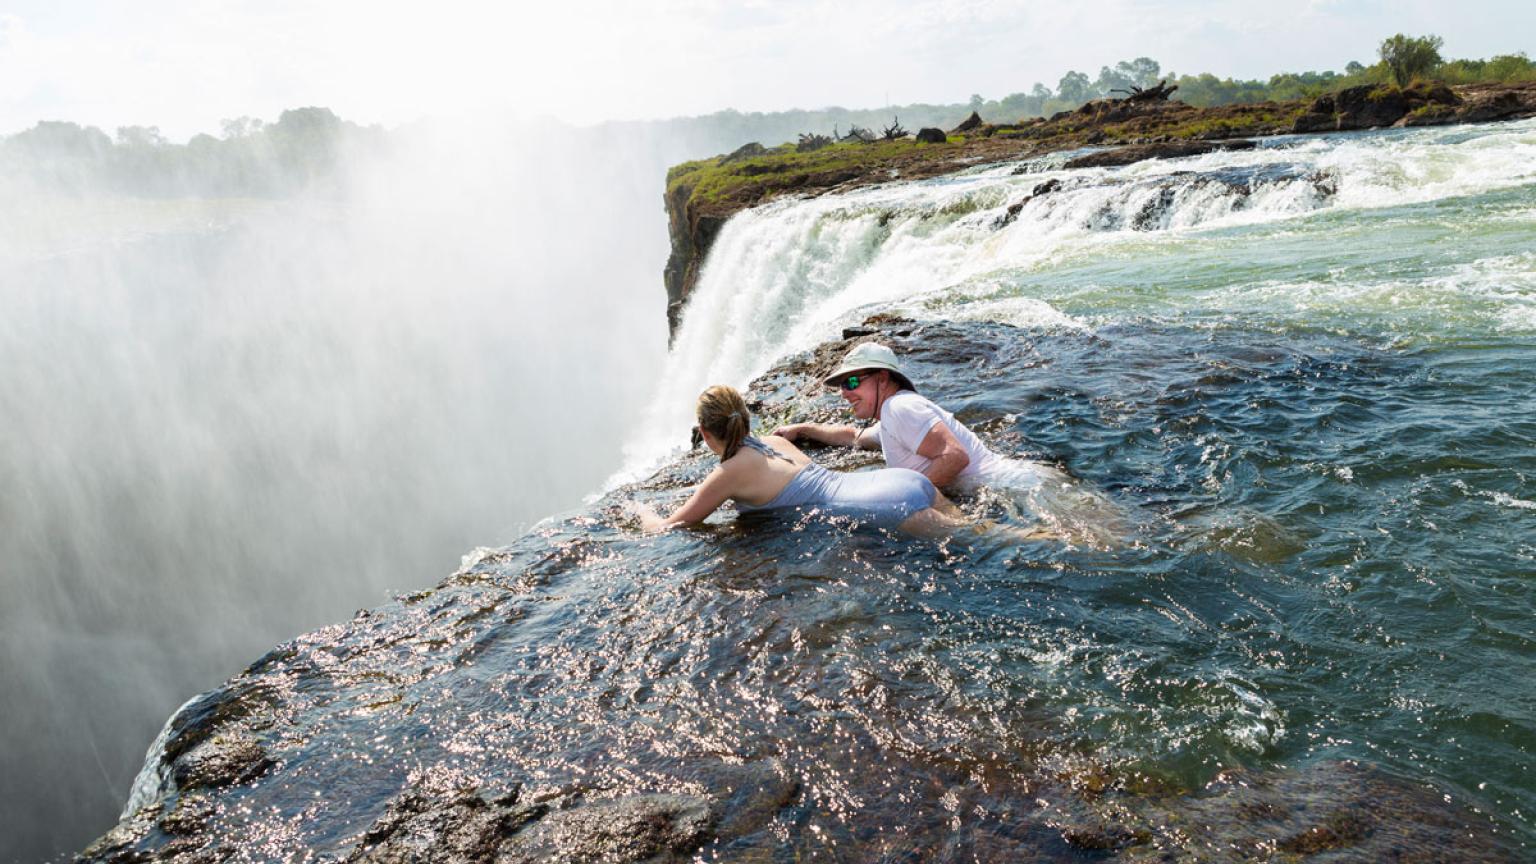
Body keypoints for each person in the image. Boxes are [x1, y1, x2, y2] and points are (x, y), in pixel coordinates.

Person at [774, 341, 1128, 545]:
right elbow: (852, 436)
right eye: (840, 386)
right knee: (1112, 541)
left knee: (1103, 546)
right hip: (1021, 483)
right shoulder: (893, 416)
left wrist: (908, 493)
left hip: (1017, 487)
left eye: (852, 381)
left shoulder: (900, 407)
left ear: (883, 378)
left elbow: (954, 456)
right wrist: (802, 428)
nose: (845, 393)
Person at [633, 384, 966, 537]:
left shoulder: (727, 473)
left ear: (705, 433)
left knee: (983, 545)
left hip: (885, 507)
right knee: (997, 536)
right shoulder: (775, 441)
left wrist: (639, 511)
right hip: (900, 482)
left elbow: (669, 526)